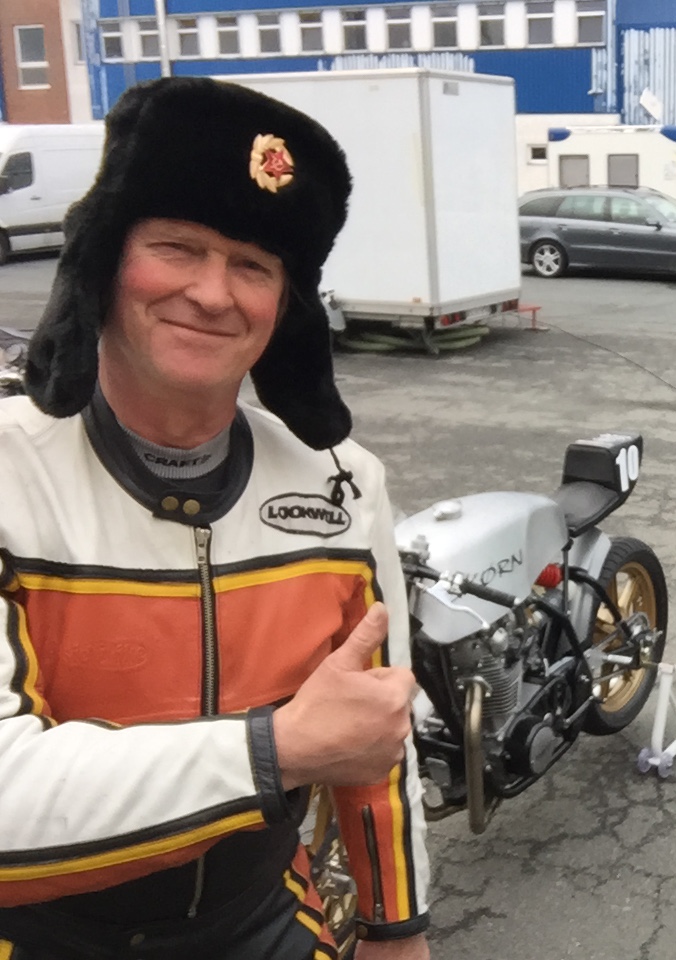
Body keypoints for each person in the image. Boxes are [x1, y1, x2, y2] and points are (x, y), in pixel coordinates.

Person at [0, 77, 430, 959]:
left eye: (253, 266)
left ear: (285, 306)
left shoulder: (345, 482)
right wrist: (276, 751)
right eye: (177, 247)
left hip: (264, 923)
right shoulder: (9, 472)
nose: (212, 292)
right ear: (105, 260)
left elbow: (376, 733)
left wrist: (397, 928)